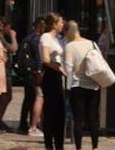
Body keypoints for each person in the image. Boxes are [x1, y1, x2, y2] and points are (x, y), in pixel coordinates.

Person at [64, 20, 101, 150]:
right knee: (93, 118)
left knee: (78, 119)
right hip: (94, 84)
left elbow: (68, 69)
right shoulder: (92, 44)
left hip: (77, 85)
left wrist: (67, 88)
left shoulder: (70, 46)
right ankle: (95, 146)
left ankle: (78, 147)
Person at [41, 12, 67, 150]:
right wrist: (58, 68)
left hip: (58, 75)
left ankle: (59, 143)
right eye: (61, 22)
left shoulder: (59, 38)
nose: (63, 25)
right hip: (51, 74)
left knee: (60, 111)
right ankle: (49, 144)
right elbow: (45, 59)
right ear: (54, 24)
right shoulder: (46, 37)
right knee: (51, 110)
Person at [18, 17, 45, 136]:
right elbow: (39, 57)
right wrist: (39, 70)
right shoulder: (36, 39)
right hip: (34, 72)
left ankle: (23, 123)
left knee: (28, 98)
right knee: (37, 97)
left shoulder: (27, 38)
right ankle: (33, 125)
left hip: (27, 72)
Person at [0, 17, 18, 133]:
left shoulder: (3, 37)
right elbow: (13, 48)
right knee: (4, 96)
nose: (10, 29)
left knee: (5, 97)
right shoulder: (0, 38)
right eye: (8, 27)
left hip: (6, 70)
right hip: (2, 71)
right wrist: (14, 37)